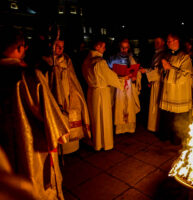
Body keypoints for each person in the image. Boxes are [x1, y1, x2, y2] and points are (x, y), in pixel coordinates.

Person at [0, 27, 69, 200]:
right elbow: (51, 116)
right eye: (24, 46)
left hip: (5, 148)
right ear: (19, 48)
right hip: (31, 143)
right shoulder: (28, 76)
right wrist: (61, 123)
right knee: (34, 183)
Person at [42, 34, 91, 154]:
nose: (60, 49)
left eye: (62, 47)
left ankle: (71, 146)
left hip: (67, 93)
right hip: (52, 94)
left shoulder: (67, 59)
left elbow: (72, 77)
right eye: (57, 46)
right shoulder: (45, 60)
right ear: (51, 46)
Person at [82, 39, 125, 151]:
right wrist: (123, 78)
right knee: (103, 118)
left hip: (91, 91)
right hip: (102, 92)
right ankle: (106, 144)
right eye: (103, 47)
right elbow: (110, 78)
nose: (105, 49)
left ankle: (97, 143)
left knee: (95, 118)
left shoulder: (86, 60)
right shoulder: (100, 62)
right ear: (97, 47)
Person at [158, 33, 193, 145]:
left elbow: (185, 75)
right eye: (167, 41)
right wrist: (163, 69)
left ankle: (177, 139)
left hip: (179, 92)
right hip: (168, 91)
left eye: (169, 41)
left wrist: (169, 68)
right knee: (167, 115)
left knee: (178, 116)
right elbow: (162, 72)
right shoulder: (167, 55)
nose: (167, 43)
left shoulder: (185, 57)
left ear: (177, 41)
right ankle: (165, 135)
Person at [108, 39, 142, 134]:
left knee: (129, 106)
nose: (124, 49)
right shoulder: (112, 58)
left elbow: (137, 71)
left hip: (129, 87)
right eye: (122, 47)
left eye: (126, 47)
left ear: (129, 48)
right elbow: (108, 73)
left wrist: (135, 77)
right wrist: (118, 76)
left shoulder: (131, 58)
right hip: (118, 87)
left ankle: (129, 128)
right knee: (119, 106)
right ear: (119, 47)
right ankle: (119, 129)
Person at [141, 36, 166, 133]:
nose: (156, 44)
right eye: (155, 42)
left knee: (157, 105)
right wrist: (147, 73)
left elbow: (159, 71)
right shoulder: (156, 54)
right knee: (153, 105)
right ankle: (153, 126)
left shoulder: (164, 54)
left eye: (158, 42)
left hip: (160, 83)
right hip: (154, 82)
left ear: (163, 42)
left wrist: (146, 72)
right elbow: (153, 68)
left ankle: (157, 127)